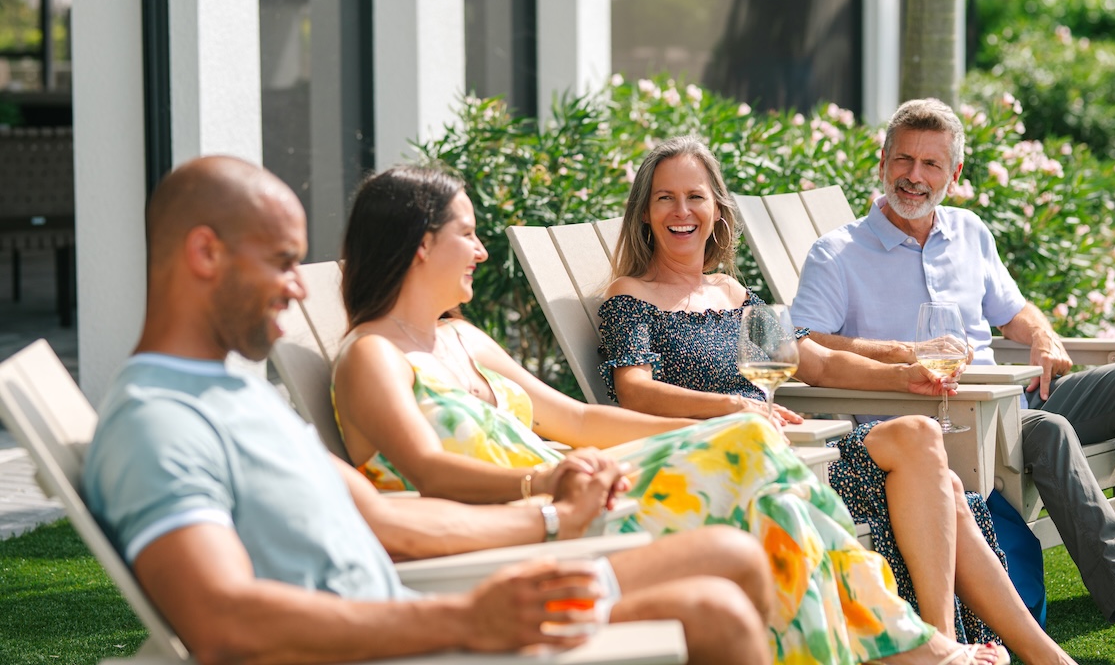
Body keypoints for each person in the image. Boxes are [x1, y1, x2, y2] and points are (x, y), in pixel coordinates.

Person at [81, 155, 779, 665]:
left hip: (420, 609)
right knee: (713, 611)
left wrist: (549, 515)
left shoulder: (241, 399)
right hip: (408, 639)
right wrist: (468, 618)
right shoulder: (158, 422)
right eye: (283, 261)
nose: (299, 288)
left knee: (731, 558)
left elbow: (387, 519)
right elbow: (223, 622)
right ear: (205, 253)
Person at [330, 165, 1018, 665]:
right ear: (422, 244)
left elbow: (579, 420)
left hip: (583, 488)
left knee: (760, 467)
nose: (481, 251)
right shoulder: (372, 357)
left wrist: (712, 431)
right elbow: (428, 470)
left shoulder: (463, 340)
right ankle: (907, 646)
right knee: (762, 475)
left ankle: (905, 646)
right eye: (468, 235)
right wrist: (547, 486)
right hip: (535, 522)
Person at [595, 136, 1075, 665]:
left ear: (717, 210)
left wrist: (903, 377)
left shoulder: (732, 293)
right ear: (645, 213)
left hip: (795, 449)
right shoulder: (629, 296)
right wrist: (734, 407)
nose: (682, 212)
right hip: (736, 467)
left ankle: (952, 641)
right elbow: (633, 389)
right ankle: (990, 653)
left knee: (919, 434)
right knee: (950, 490)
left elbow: (816, 362)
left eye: (695, 197)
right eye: (665, 198)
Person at [789, 97, 1115, 665]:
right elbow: (803, 341)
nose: (914, 176)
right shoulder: (838, 253)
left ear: (954, 173)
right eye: (903, 160)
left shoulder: (969, 231)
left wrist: (1042, 336)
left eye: (931, 164)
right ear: (882, 163)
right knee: (1047, 429)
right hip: (947, 420)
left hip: (1014, 398)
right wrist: (903, 353)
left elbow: (1015, 311)